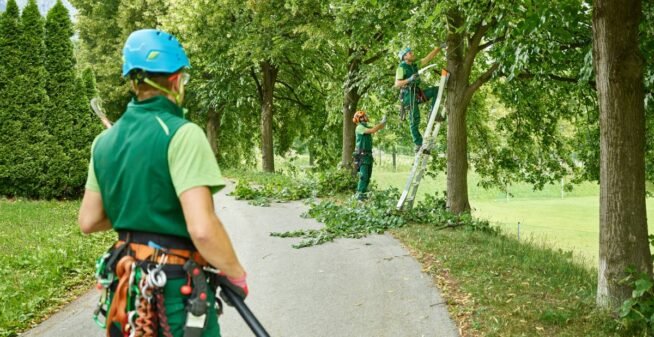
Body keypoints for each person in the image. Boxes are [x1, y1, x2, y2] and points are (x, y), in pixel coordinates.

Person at [78, 29, 247, 337]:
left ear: (134, 81)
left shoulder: (104, 142)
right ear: (175, 79)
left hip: (127, 290)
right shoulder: (182, 134)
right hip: (173, 292)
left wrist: (138, 209)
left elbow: (89, 220)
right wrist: (235, 274)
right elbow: (202, 229)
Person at [394, 44, 445, 154]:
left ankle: (433, 113)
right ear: (404, 57)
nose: (412, 54)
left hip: (417, 93)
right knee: (414, 119)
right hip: (408, 95)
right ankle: (418, 144)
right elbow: (397, 84)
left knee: (436, 90)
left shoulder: (414, 65)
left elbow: (428, 58)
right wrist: (410, 79)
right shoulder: (401, 67)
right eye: (409, 53)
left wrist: (439, 47)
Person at [352, 111, 386, 200]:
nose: (363, 119)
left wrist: (384, 122)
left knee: (368, 176)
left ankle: (364, 195)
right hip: (362, 156)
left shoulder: (365, 127)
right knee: (363, 177)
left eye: (364, 117)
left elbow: (376, 128)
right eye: (361, 118)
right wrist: (381, 123)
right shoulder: (359, 128)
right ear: (358, 120)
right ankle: (359, 195)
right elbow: (373, 130)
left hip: (368, 156)